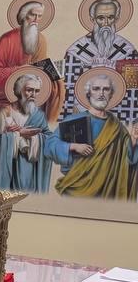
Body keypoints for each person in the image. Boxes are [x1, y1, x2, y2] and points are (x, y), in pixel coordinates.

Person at [46, 71, 138, 199]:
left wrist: (133, 139)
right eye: (96, 89)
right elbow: (50, 145)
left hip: (108, 189)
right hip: (77, 184)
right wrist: (73, 146)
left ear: (111, 94)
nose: (101, 93)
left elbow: (128, 158)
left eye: (106, 89)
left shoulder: (117, 127)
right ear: (89, 93)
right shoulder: (73, 119)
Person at [0, 0, 64, 122]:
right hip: (8, 89)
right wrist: (20, 70)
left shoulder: (41, 39)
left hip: (32, 85)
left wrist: (49, 73)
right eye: (33, 15)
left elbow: (40, 66)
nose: (36, 19)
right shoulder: (7, 39)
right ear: (24, 15)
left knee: (58, 84)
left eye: (39, 16)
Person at [0, 72, 53, 192]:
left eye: (37, 91)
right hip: (7, 166)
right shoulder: (4, 112)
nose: (33, 95)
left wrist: (34, 138)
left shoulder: (39, 116)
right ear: (19, 90)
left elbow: (48, 138)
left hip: (29, 169)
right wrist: (15, 135)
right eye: (29, 90)